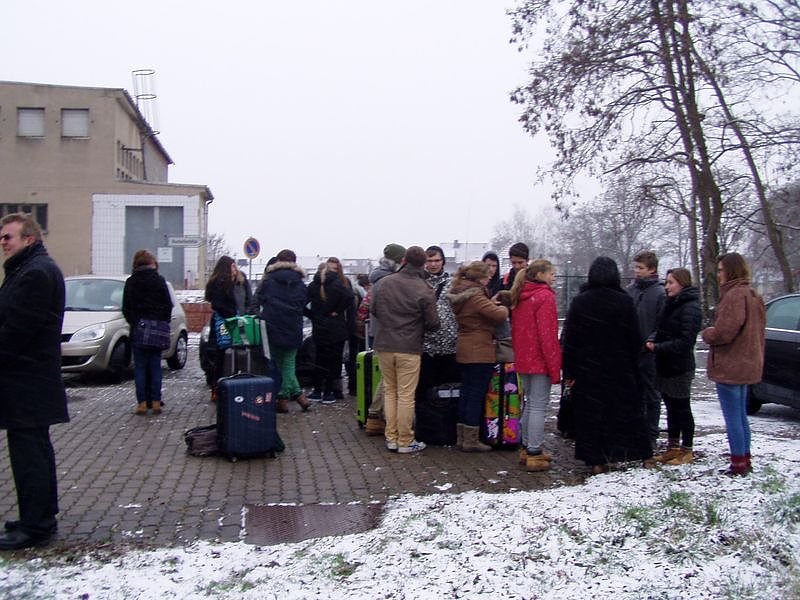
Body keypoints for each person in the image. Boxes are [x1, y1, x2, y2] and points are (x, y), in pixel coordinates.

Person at [0, 213, 68, 550]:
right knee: (32, 452)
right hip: (29, 380)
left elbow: (18, 330)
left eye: (8, 236)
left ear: (29, 239)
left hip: (28, 381)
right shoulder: (28, 269)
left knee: (30, 456)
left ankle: (36, 525)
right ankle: (37, 517)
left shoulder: (36, 272)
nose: (3, 242)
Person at [561, 257, 652, 474]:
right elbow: (634, 337)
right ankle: (637, 453)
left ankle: (595, 459)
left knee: (591, 416)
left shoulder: (580, 301)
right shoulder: (624, 301)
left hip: (588, 369)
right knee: (625, 411)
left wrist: (570, 370)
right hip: (619, 367)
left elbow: (571, 339)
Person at [371, 246, 440, 454]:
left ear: (403, 261)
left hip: (384, 345)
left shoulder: (384, 283)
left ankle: (391, 438)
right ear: (423, 264)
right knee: (406, 395)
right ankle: (405, 440)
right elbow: (433, 323)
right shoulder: (424, 288)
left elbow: (374, 310)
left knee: (390, 391)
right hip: (409, 347)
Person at [701, 253, 765, 476]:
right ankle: (744, 458)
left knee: (733, 416)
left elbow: (725, 332)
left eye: (720, 270)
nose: (718, 275)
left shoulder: (734, 296)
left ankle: (738, 462)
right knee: (740, 415)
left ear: (730, 270)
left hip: (731, 365)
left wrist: (708, 333)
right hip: (747, 363)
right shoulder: (752, 295)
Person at [447, 261, 509, 452]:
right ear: (480, 278)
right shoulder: (476, 294)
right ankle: (471, 440)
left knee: (466, 393)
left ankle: (461, 437)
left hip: (464, 347)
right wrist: (505, 308)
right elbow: (497, 316)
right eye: (487, 276)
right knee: (476, 395)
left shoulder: (461, 292)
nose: (489, 278)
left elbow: (475, 312)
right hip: (479, 350)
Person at [645, 268, 702, 465]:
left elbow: (686, 341)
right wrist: (654, 340)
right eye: (667, 282)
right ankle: (673, 446)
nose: (667, 286)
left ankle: (687, 449)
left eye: (671, 282)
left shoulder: (690, 307)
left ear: (682, 283)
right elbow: (660, 329)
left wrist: (658, 347)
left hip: (680, 367)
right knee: (670, 407)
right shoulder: (671, 304)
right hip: (666, 364)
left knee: (681, 408)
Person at [510, 259, 561, 472]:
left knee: (529, 404)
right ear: (540, 275)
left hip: (523, 358)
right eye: (551, 274)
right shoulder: (544, 297)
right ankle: (534, 451)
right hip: (539, 359)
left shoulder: (520, 296)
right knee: (539, 406)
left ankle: (526, 447)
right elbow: (548, 336)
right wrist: (555, 365)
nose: (554, 278)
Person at [252, 249, 311, 413]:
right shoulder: (300, 282)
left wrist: (262, 316)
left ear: (278, 260)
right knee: (289, 362)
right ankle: (294, 396)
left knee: (278, 362)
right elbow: (303, 302)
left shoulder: (268, 280)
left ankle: (285, 397)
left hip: (273, 326)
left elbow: (256, 301)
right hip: (293, 325)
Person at [362, 243, 406, 435]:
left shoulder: (378, 278)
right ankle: (375, 416)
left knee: (388, 378)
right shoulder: (389, 279)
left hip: (379, 332)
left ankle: (374, 418)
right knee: (389, 379)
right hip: (389, 333)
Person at [122, 249, 173, 416]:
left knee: (140, 368)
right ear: (152, 263)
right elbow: (168, 305)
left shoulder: (131, 282)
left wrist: (135, 322)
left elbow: (126, 308)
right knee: (155, 366)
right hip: (157, 330)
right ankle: (156, 402)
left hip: (139, 328)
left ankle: (142, 403)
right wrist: (162, 322)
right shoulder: (159, 281)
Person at [626, 250, 666, 451]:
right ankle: (635, 431)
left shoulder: (660, 293)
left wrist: (652, 340)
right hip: (631, 350)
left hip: (650, 352)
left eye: (640, 268)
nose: (637, 271)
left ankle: (651, 432)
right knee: (634, 393)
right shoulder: (631, 291)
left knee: (651, 393)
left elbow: (663, 323)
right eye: (636, 267)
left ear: (652, 269)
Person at [305, 261, 352, 403]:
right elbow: (349, 297)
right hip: (336, 328)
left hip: (319, 328)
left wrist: (313, 315)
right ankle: (329, 392)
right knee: (334, 361)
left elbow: (301, 304)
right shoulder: (338, 285)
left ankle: (317, 390)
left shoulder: (313, 286)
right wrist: (337, 311)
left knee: (319, 359)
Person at [417, 245, 460, 397]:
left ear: (443, 261)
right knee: (424, 390)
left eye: (437, 260)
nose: (433, 264)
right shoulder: (419, 283)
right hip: (426, 346)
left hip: (450, 346)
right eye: (430, 261)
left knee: (449, 390)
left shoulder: (453, 283)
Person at [204, 255, 240, 401]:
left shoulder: (222, 281)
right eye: (233, 266)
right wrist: (232, 314)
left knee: (222, 355)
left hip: (222, 321)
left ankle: (218, 387)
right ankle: (218, 388)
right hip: (224, 323)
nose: (235, 269)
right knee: (222, 355)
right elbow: (218, 304)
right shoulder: (222, 282)